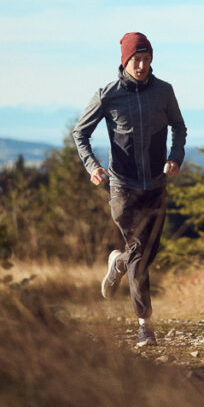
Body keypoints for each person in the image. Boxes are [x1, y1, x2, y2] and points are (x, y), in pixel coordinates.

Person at [72, 32, 186, 348]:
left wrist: (175, 157)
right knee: (140, 254)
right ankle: (144, 325)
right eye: (137, 59)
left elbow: (179, 126)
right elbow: (80, 133)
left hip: (156, 185)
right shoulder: (107, 95)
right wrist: (92, 166)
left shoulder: (164, 92)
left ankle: (118, 262)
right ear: (125, 60)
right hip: (122, 187)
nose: (142, 65)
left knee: (142, 256)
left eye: (147, 60)